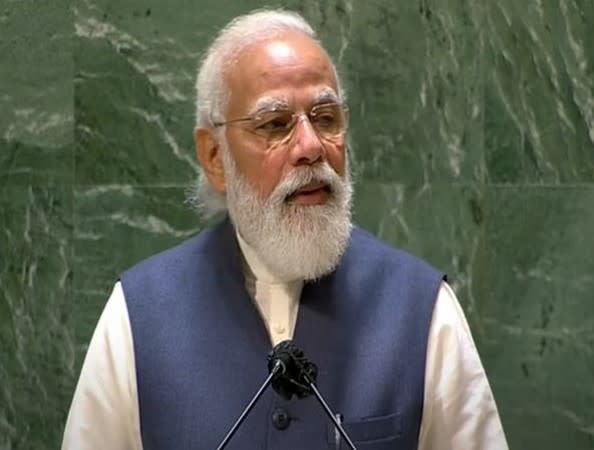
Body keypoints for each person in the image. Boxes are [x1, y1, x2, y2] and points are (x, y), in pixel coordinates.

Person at [62, 9, 508, 450]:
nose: (311, 147)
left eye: (326, 118)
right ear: (216, 157)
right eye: (275, 124)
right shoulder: (136, 317)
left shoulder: (424, 310)